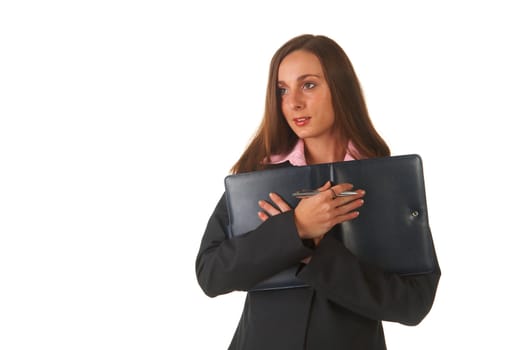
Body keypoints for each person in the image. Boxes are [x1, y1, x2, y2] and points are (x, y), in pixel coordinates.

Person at [195, 34, 440, 349]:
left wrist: (317, 254)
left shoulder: (387, 180)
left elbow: (413, 303)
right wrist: (295, 230)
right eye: (282, 90)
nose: (293, 102)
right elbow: (211, 274)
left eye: (308, 85)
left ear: (340, 89)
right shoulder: (258, 178)